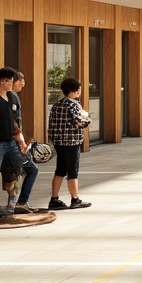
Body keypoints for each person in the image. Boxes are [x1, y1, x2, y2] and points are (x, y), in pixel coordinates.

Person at [0, 67, 35, 221]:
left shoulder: (13, 97)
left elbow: (15, 124)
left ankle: (22, 202)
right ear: (3, 80)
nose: (13, 84)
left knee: (31, 168)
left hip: (12, 144)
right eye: (11, 81)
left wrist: (21, 142)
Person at [47, 77, 93, 209]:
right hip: (71, 143)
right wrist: (86, 115)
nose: (80, 91)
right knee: (73, 171)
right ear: (75, 90)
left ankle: (54, 199)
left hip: (58, 143)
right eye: (79, 89)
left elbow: (51, 125)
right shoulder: (73, 104)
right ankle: (75, 199)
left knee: (60, 170)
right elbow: (80, 122)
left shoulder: (57, 104)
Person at [6, 69, 40, 214]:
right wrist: (21, 142)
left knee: (14, 173)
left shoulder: (10, 96)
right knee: (31, 169)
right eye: (21, 81)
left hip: (11, 142)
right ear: (11, 81)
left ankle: (13, 204)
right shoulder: (11, 97)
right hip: (12, 144)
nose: (23, 84)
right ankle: (21, 202)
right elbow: (13, 122)